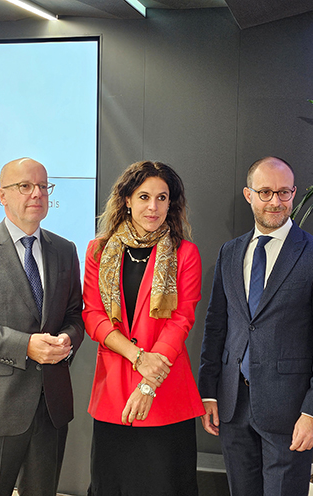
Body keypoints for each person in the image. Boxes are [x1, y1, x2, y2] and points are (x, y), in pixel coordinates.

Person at [198, 156, 313, 496]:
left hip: (291, 413)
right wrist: (209, 391)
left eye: (283, 192)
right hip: (232, 406)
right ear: (249, 195)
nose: (275, 202)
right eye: (265, 192)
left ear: (294, 194)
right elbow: (216, 326)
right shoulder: (230, 253)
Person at [0, 157, 84, 496]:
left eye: (43, 186)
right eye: (25, 186)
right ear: (2, 195)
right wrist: (25, 346)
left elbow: (75, 315)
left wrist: (67, 339)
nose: (36, 194)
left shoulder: (65, 250)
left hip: (51, 405)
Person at [82, 160, 205, 496]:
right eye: (144, 196)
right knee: (113, 484)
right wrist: (138, 357)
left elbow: (182, 320)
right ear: (127, 200)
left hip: (165, 390)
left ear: (172, 203)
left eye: (162, 198)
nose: (153, 207)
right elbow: (93, 315)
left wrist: (150, 381)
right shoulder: (98, 251)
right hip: (115, 389)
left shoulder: (185, 253)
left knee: (165, 484)